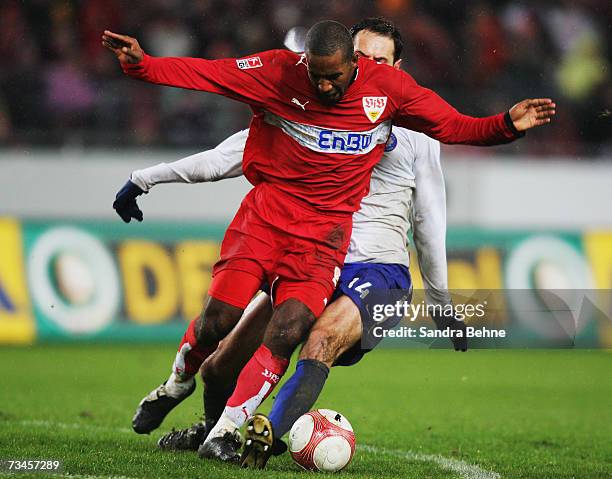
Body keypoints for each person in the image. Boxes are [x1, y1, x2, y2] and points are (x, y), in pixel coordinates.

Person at [103, 18, 555, 463]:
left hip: (346, 255)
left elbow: (439, 191)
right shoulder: (283, 81)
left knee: (300, 335)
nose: (324, 87)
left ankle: (242, 436)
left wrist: (506, 126)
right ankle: (193, 403)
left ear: (392, 66)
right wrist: (145, 74)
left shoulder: (405, 117)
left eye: (377, 60)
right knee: (219, 343)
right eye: (361, 55)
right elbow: (215, 96)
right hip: (275, 229)